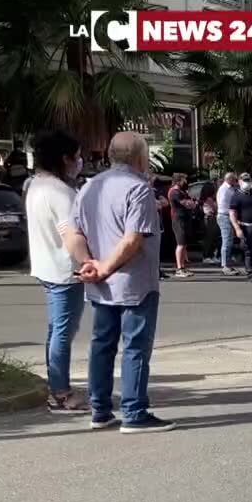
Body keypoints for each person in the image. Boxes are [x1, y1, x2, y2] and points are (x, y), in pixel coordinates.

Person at [69, 132, 174, 433]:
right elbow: (132, 241)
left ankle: (100, 410)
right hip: (133, 283)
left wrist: (87, 263)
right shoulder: (138, 189)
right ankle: (134, 412)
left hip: (101, 285)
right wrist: (103, 268)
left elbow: (73, 233)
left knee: (102, 345)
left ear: (111, 155)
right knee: (135, 347)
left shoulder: (89, 186)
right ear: (141, 157)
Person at [25, 130, 89, 414]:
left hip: (47, 267)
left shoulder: (35, 185)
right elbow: (71, 235)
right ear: (65, 159)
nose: (80, 161)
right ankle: (61, 393)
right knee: (62, 333)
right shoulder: (61, 192)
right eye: (77, 156)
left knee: (56, 331)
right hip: (65, 271)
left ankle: (57, 386)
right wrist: (88, 262)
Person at [230, 174, 252, 283]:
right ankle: (251, 274)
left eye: (248, 180)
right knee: (249, 251)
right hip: (245, 226)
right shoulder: (236, 195)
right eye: (245, 180)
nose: (247, 182)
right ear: (240, 181)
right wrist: (237, 228)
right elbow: (232, 213)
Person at [167, 173, 195, 278]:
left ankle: (183, 267)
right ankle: (179, 269)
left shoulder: (182, 191)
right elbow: (188, 204)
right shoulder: (174, 192)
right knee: (181, 243)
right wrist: (191, 203)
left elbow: (191, 203)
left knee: (184, 244)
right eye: (184, 180)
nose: (185, 182)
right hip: (178, 220)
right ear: (178, 181)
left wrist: (191, 203)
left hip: (185, 219)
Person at [214, 173, 239, 276]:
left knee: (229, 240)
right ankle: (225, 266)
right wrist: (232, 211)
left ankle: (227, 263)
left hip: (228, 215)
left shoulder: (230, 188)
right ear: (230, 179)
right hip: (224, 216)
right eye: (234, 179)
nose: (235, 181)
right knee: (227, 240)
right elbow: (223, 204)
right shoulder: (224, 189)